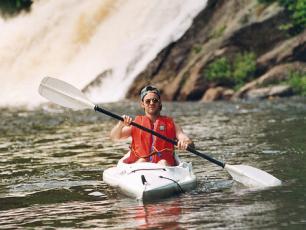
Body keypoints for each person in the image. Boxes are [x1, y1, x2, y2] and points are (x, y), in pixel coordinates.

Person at [110, 85, 193, 166]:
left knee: (163, 162)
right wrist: (120, 125)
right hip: (138, 167)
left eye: (155, 100)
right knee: (142, 161)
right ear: (142, 104)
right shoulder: (135, 124)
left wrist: (185, 143)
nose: (151, 103)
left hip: (165, 168)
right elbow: (114, 137)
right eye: (148, 101)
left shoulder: (171, 124)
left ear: (160, 103)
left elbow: (187, 140)